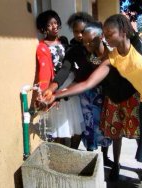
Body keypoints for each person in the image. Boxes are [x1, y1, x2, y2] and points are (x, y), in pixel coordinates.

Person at [45, 14, 142, 188]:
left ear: (124, 31)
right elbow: (88, 83)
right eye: (105, 34)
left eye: (110, 34)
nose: (106, 38)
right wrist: (56, 94)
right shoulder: (112, 58)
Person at [80, 21, 142, 181]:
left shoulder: (115, 50)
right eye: (85, 41)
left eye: (90, 40)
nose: (87, 44)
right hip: (112, 98)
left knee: (139, 133)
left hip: (131, 95)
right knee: (115, 133)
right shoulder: (91, 57)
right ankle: (116, 165)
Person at [42, 12, 113, 164]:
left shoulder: (97, 45)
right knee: (88, 127)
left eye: (83, 31)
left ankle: (105, 157)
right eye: (76, 31)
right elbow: (65, 70)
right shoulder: (74, 50)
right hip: (84, 92)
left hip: (103, 92)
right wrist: (52, 88)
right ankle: (89, 157)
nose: (80, 35)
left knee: (104, 126)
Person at [33, 10, 84, 148]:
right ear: (43, 28)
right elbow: (43, 72)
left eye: (55, 23)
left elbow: (69, 63)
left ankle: (73, 152)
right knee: (60, 127)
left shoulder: (64, 41)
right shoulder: (42, 47)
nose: (54, 26)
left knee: (75, 125)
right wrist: (45, 92)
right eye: (50, 25)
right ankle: (61, 157)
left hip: (70, 84)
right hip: (56, 85)